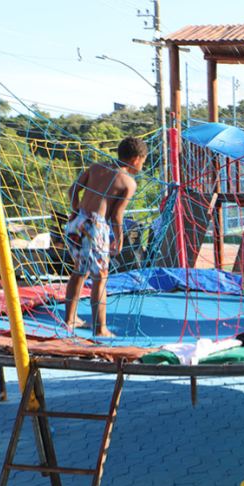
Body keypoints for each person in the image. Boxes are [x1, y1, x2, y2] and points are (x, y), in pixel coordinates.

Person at [63, 136, 147, 337]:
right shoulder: (128, 181)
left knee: (79, 271)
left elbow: (72, 190)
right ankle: (100, 328)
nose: (142, 167)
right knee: (101, 277)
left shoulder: (96, 168)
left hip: (75, 223)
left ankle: (70, 319)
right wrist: (118, 238)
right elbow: (117, 215)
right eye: (143, 162)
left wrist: (78, 212)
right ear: (135, 159)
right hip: (95, 226)